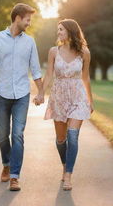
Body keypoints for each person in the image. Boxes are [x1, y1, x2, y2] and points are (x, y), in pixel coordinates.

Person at [0, 3, 44, 191]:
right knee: (3, 135)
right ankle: (6, 164)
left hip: (21, 95)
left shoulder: (30, 42)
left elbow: (35, 69)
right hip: (1, 94)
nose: (29, 23)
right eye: (27, 19)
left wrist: (41, 92)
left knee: (17, 134)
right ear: (17, 18)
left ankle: (15, 176)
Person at [35, 18, 94, 191]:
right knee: (61, 140)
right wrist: (40, 93)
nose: (58, 32)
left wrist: (90, 100)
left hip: (78, 97)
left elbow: (85, 77)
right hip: (59, 97)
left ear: (70, 31)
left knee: (73, 136)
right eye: (57, 30)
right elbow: (49, 75)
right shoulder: (54, 51)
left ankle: (68, 175)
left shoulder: (84, 52)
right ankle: (65, 164)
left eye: (61, 29)